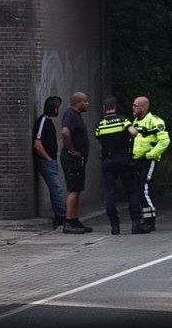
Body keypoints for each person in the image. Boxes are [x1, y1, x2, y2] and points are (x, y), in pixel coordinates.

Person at [92, 96, 136, 234]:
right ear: (115, 106)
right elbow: (133, 132)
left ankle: (114, 225)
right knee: (132, 190)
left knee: (110, 192)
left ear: (105, 108)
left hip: (108, 161)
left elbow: (98, 137)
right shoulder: (123, 120)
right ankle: (135, 222)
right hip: (123, 159)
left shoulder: (100, 125)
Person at [130, 95, 171, 233]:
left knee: (144, 189)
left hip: (148, 160)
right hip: (137, 160)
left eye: (135, 105)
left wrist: (151, 154)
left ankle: (149, 221)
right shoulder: (136, 121)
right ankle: (147, 220)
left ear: (143, 107)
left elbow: (164, 141)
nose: (133, 108)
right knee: (141, 190)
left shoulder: (154, 121)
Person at [59, 92, 92, 234]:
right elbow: (65, 132)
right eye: (85, 101)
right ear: (78, 102)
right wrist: (72, 150)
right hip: (71, 158)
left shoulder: (76, 116)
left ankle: (75, 219)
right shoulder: (71, 115)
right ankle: (68, 222)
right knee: (73, 189)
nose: (87, 104)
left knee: (77, 189)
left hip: (78, 159)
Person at [33, 95, 67, 230]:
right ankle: (61, 216)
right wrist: (47, 158)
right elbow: (37, 143)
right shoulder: (43, 121)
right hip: (46, 161)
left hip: (50, 160)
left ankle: (61, 215)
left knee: (56, 188)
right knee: (56, 188)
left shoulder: (48, 121)